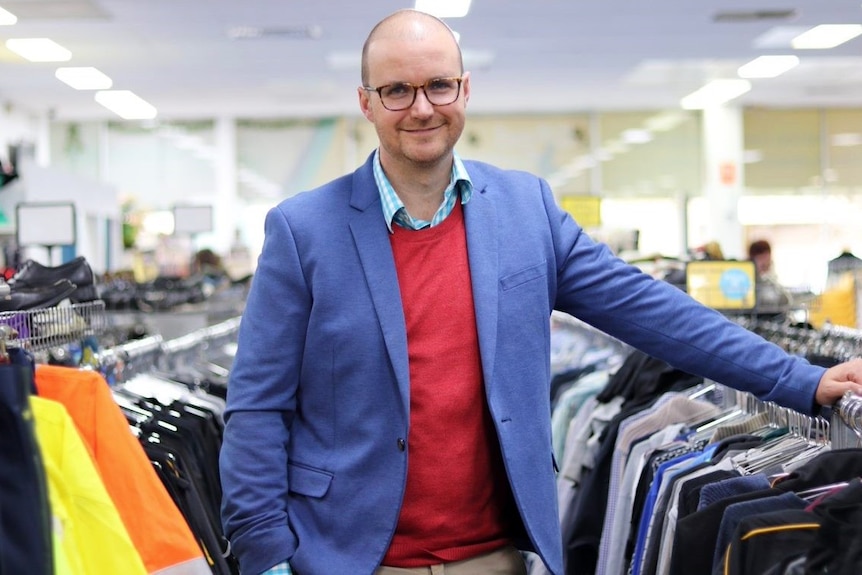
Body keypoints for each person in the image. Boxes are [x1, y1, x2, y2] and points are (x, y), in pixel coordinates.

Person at [218, 10, 862, 575]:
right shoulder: (303, 231)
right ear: (366, 102)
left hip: (495, 557)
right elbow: (256, 407)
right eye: (397, 90)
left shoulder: (526, 210)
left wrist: (799, 380)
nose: (422, 107)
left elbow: (654, 313)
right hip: (343, 557)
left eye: (439, 85)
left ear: (464, 90)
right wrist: (265, 551)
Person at [748, 239, 792, 314]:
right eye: (761, 258)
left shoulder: (771, 280)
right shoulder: (748, 282)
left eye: (767, 259)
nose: (765, 263)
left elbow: (785, 301)